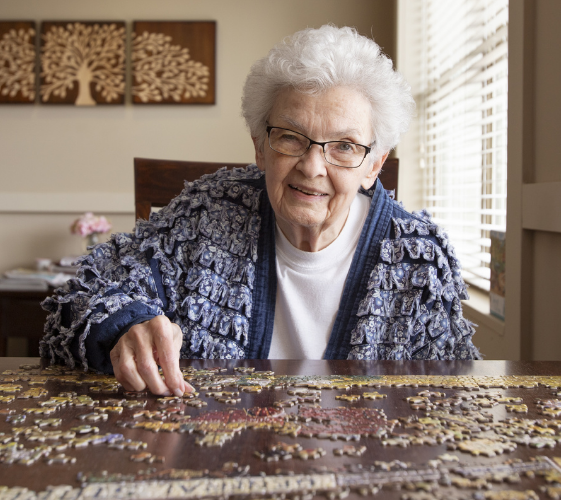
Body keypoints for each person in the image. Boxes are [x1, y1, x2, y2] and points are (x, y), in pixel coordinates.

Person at [40, 25, 481, 396]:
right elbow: (79, 297)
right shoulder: (204, 216)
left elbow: (450, 396)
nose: (312, 167)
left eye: (344, 146)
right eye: (290, 137)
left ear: (374, 165)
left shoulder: (419, 258)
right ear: (260, 147)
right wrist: (124, 325)